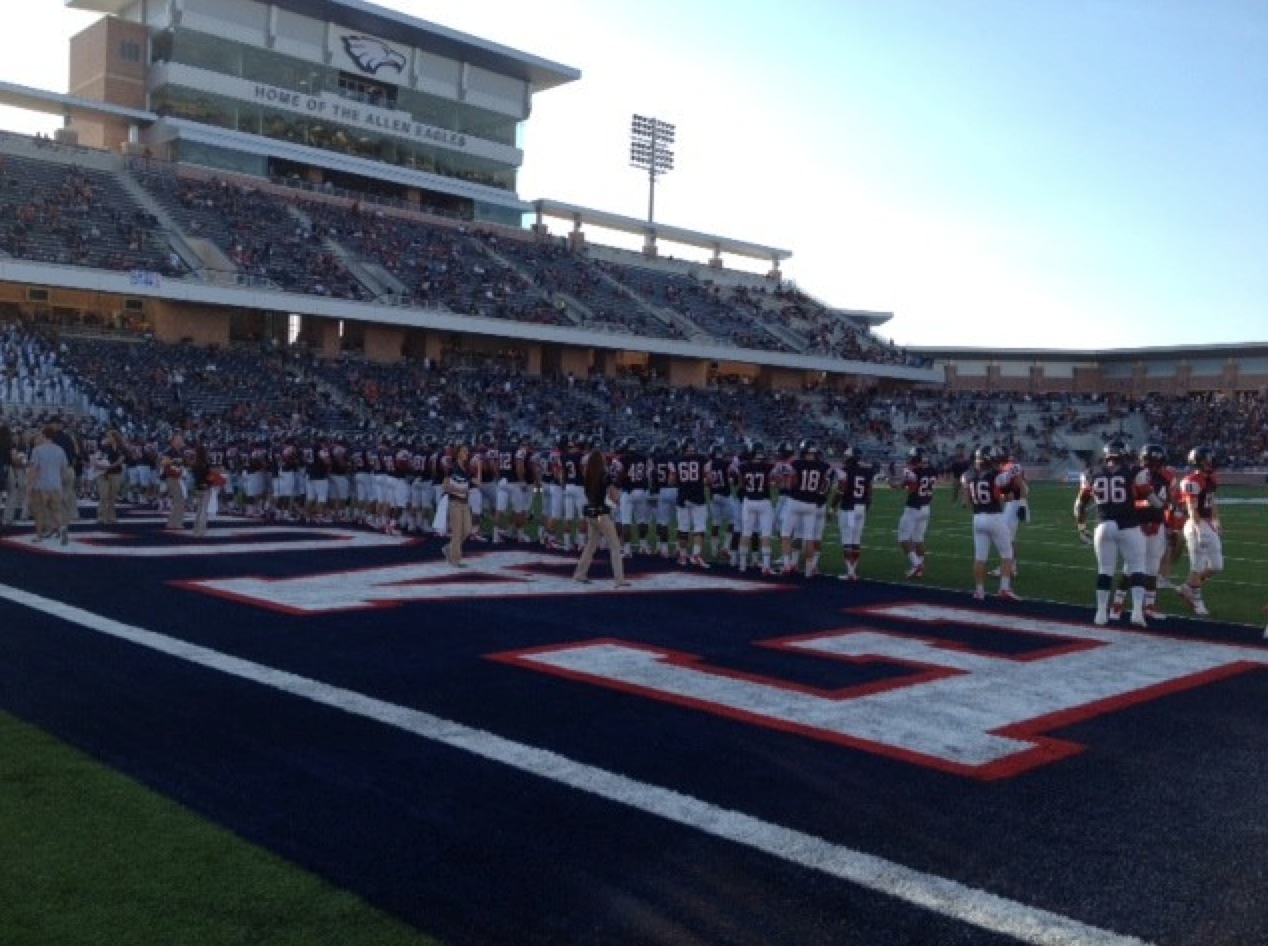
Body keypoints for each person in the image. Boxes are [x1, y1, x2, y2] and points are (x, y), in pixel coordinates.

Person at [1073, 440, 1160, 627]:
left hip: (1103, 526)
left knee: (1105, 570)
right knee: (1137, 567)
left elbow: (1080, 505)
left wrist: (1081, 528)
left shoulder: (1091, 473)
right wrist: (1164, 506)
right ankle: (1137, 612)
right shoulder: (1135, 471)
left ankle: (1100, 613)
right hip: (1128, 525)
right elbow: (1151, 498)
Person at [960, 445, 1019, 601]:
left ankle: (979, 591)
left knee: (980, 557)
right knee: (1007, 554)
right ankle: (1004, 589)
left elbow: (967, 488)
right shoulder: (995, 475)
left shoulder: (967, 475)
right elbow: (1010, 483)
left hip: (977, 518)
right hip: (994, 517)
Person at [572, 445, 628, 587]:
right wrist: (616, 500)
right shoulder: (606, 475)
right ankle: (619, 579)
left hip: (591, 513)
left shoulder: (588, 475)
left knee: (590, 545)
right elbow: (614, 496)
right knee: (615, 546)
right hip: (602, 514)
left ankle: (580, 573)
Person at [1177, 445, 1221, 617]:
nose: (1210, 463)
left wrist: (1216, 520)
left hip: (1208, 523)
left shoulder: (1211, 479)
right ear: (1198, 463)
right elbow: (1191, 508)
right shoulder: (1191, 481)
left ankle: (1187, 587)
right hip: (1196, 524)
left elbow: (1212, 501)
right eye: (1206, 461)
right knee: (1197, 565)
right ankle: (1197, 600)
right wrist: (1198, 529)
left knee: (1217, 566)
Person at [833, 445, 878, 581]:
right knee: (856, 540)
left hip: (849, 508)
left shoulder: (844, 471)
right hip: (861, 507)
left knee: (847, 539)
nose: (845, 459)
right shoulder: (867, 471)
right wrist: (868, 505)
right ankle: (854, 571)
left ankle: (851, 572)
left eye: (847, 457)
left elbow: (841, 490)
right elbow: (870, 491)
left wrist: (832, 506)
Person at [894, 446, 937, 578]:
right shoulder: (932, 471)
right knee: (918, 539)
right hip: (926, 507)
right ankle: (919, 568)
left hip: (913, 508)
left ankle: (917, 564)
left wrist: (894, 483)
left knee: (903, 538)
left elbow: (907, 486)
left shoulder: (911, 472)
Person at [27, 425, 69, 545]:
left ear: (44, 435)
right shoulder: (60, 450)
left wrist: (30, 485)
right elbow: (64, 469)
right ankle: (62, 529)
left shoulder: (37, 450)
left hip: (41, 485)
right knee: (57, 510)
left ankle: (39, 536)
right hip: (56, 484)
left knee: (39, 512)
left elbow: (34, 469)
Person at [442, 442, 478, 567]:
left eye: (467, 451)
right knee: (457, 532)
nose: (466, 454)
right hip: (455, 502)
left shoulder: (467, 468)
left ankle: (449, 548)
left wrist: (479, 468)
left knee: (467, 530)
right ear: (458, 453)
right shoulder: (452, 467)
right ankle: (456, 559)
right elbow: (445, 487)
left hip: (465, 503)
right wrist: (459, 490)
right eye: (463, 451)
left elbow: (478, 483)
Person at [95, 428, 126, 525]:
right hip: (103, 474)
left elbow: (121, 460)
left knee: (112, 497)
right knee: (103, 496)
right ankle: (101, 517)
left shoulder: (121, 448)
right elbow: (96, 458)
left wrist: (110, 466)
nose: (107, 438)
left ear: (114, 437)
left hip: (116, 473)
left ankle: (111, 517)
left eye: (109, 436)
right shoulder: (103, 448)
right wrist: (99, 465)